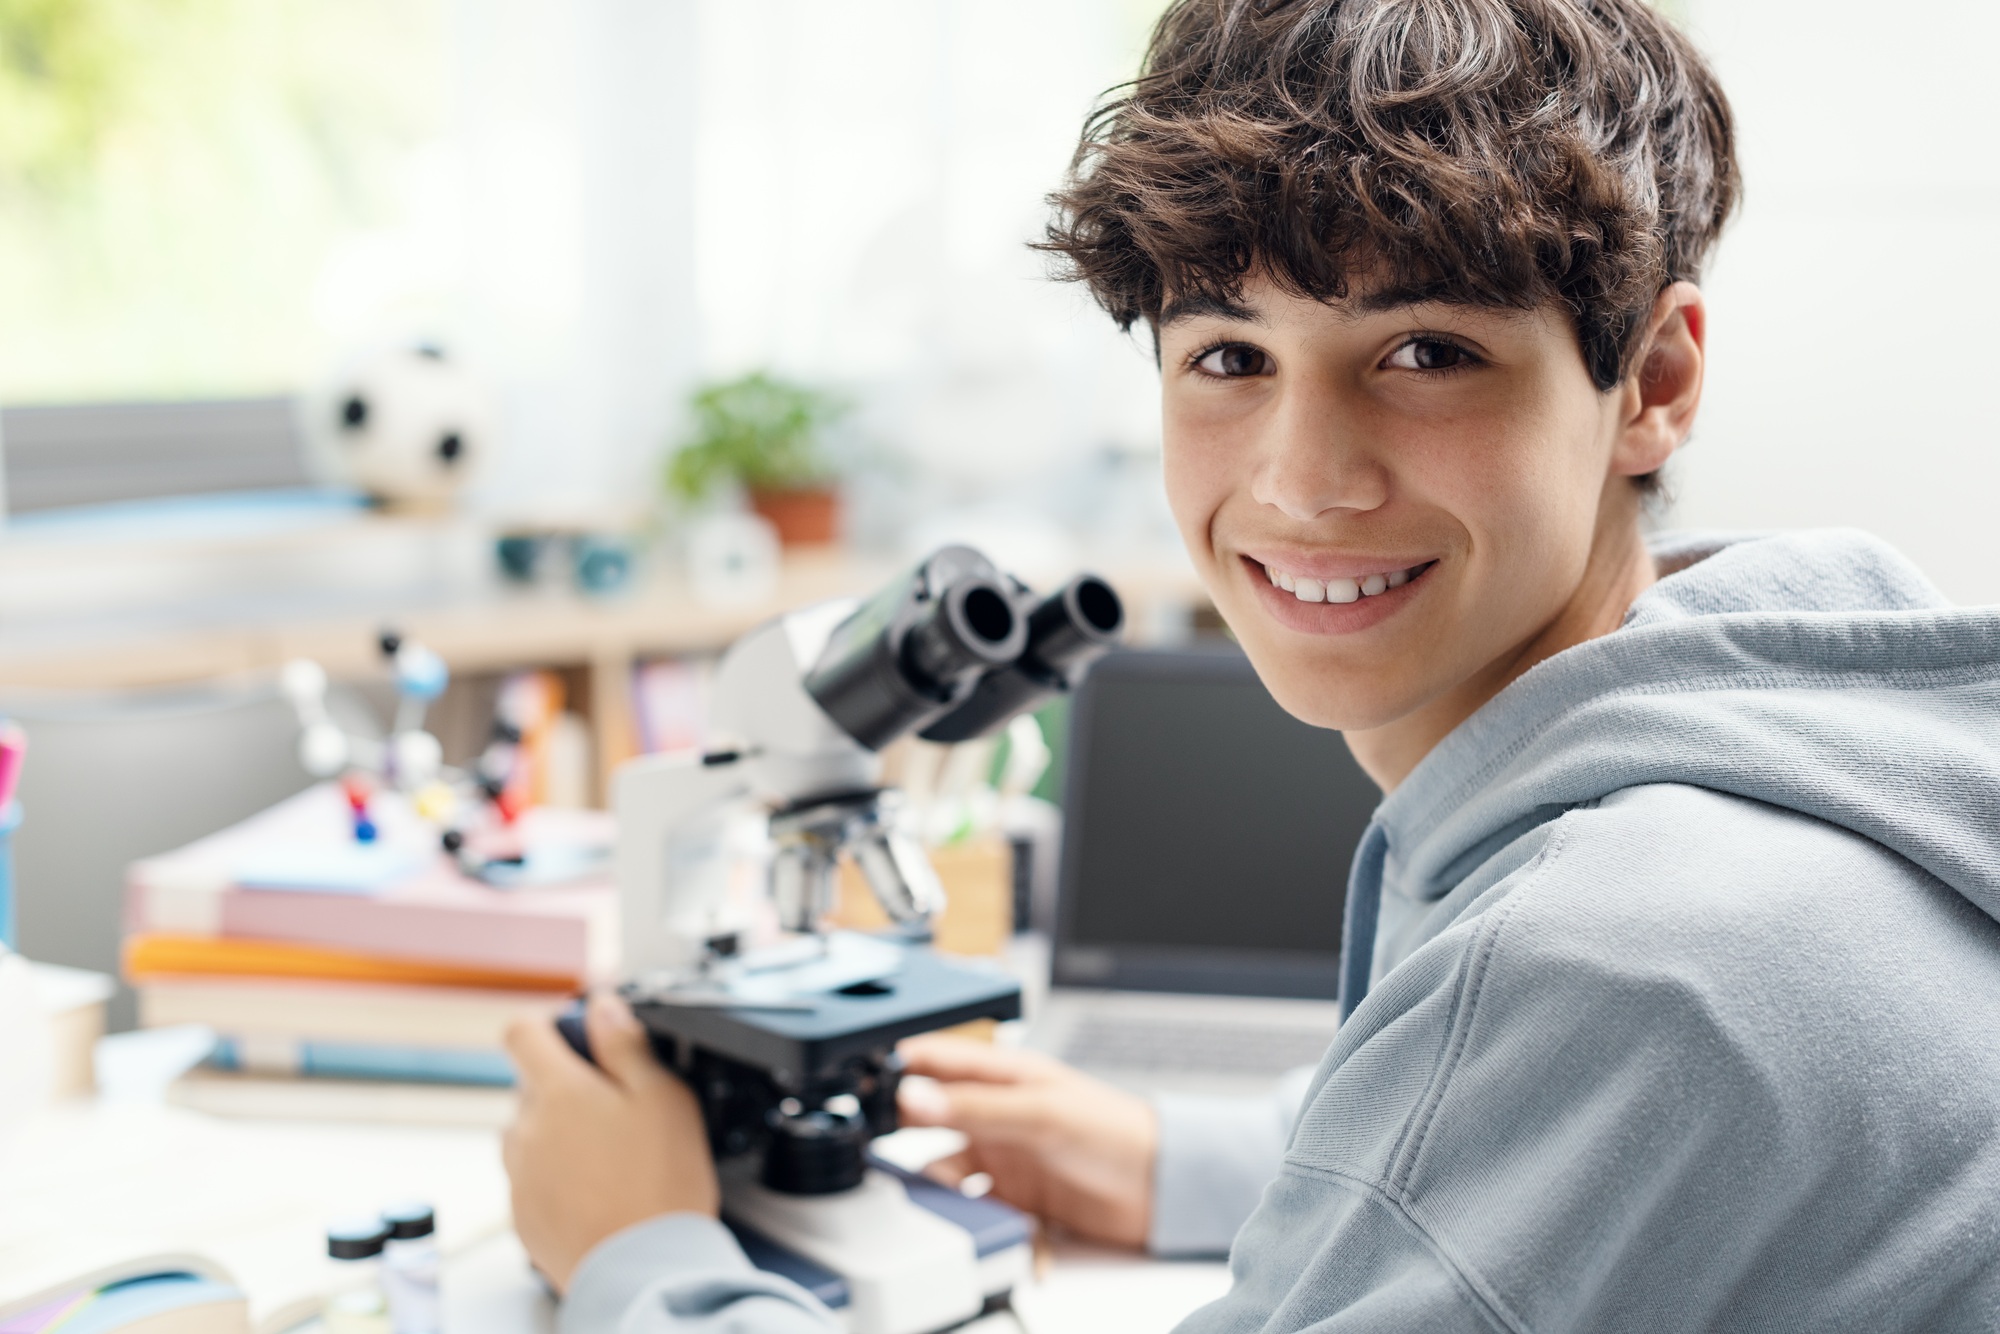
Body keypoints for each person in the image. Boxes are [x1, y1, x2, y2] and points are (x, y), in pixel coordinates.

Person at [503, 0, 2000, 1327]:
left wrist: (644, 1256)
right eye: (1229, 357)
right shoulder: (1813, 733)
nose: (1303, 481)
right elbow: (1556, 1141)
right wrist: (1187, 1157)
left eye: (1426, 352)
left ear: (1653, 382)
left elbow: (1571, 1047)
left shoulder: (1610, 953)